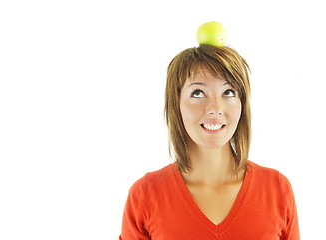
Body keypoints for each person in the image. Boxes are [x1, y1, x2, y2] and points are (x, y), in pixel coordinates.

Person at [119, 43, 300, 239]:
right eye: (198, 93)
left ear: (242, 104)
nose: (215, 108)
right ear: (176, 103)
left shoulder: (277, 189)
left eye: (229, 92)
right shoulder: (145, 195)